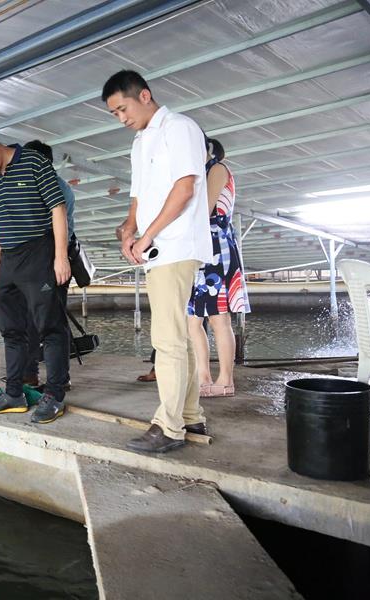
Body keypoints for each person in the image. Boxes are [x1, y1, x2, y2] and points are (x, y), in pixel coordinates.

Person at [102, 70, 211, 452]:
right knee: (175, 338)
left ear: (144, 95)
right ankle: (191, 418)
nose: (121, 118)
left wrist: (147, 236)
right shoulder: (140, 141)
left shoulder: (179, 128)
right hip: (156, 247)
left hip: (176, 245)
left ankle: (168, 427)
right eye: (113, 113)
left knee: (166, 341)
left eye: (123, 108)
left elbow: (185, 188)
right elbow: (138, 197)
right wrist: (130, 230)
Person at [0, 129, 71, 424]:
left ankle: (56, 394)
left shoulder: (34, 162)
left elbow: (57, 208)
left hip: (39, 252)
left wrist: (60, 257)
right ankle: (14, 393)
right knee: (10, 329)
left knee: (50, 327)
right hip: (8, 258)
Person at [187, 136, 250, 397]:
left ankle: (225, 380)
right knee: (192, 320)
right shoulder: (201, 172)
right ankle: (204, 376)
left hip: (216, 247)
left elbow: (205, 208)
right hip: (198, 248)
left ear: (209, 150)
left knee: (218, 318)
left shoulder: (218, 168)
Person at [19, 140, 76, 390]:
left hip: (52, 261)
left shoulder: (54, 187)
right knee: (34, 320)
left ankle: (57, 381)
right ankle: (32, 374)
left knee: (50, 324)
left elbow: (57, 227)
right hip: (38, 263)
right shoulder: (45, 184)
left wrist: (58, 259)